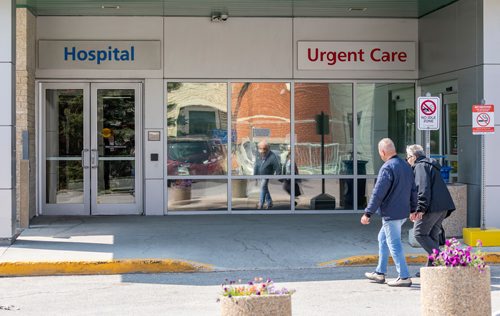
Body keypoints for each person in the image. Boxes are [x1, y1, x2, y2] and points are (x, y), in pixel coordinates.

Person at [361, 138, 417, 287]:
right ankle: (380, 273)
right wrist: (413, 209)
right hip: (402, 213)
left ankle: (404, 276)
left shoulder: (387, 168)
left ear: (383, 152)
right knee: (382, 239)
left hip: (391, 214)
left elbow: (378, 193)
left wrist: (368, 213)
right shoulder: (406, 166)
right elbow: (413, 190)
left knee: (394, 243)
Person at [406, 144, 455, 277]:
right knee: (432, 237)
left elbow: (423, 189)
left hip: (433, 208)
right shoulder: (430, 165)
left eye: (408, 157)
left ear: (414, 156)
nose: (407, 160)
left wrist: (420, 209)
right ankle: (431, 269)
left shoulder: (420, 166)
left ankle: (442, 260)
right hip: (442, 207)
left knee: (419, 234)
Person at [253, 140, 281, 209]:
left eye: (264, 149)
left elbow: (277, 167)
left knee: (262, 187)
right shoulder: (259, 155)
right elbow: (256, 165)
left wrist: (279, 176)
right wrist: (255, 176)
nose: (262, 151)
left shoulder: (272, 156)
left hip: (267, 175)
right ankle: (269, 202)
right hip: (260, 175)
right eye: (260, 148)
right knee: (265, 188)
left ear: (268, 148)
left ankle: (261, 204)